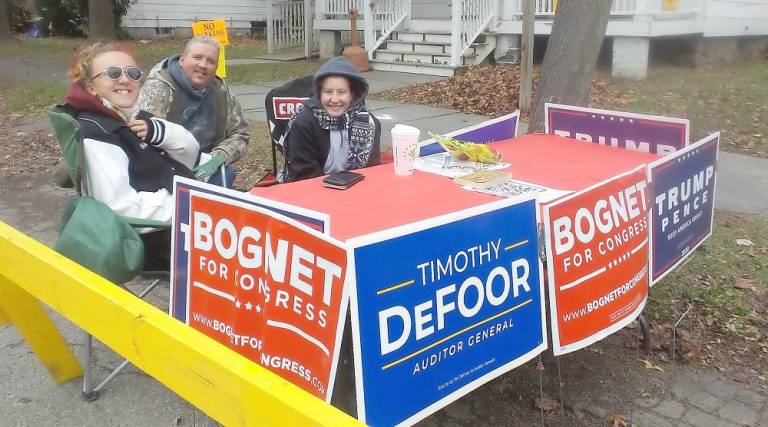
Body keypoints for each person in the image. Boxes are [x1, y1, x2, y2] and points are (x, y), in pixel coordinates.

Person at [64, 42, 199, 270]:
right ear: (91, 87)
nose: (125, 80)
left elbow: (190, 151)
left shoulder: (131, 116)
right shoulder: (98, 134)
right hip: (154, 238)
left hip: (179, 219)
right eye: (113, 73)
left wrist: (159, 131)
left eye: (133, 73)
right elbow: (122, 208)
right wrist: (192, 204)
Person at [137, 36, 250, 188]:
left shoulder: (222, 92)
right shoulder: (158, 87)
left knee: (227, 173)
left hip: (205, 168)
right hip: (165, 168)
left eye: (210, 61)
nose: (203, 65)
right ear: (182, 60)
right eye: (197, 57)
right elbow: (142, 133)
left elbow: (240, 134)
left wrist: (217, 157)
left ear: (216, 68)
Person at [281, 56, 381, 182]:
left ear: (352, 95)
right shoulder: (303, 123)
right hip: (312, 189)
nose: (334, 99)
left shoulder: (369, 124)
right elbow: (303, 174)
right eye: (328, 92)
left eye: (341, 92)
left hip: (356, 187)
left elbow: (371, 171)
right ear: (319, 93)